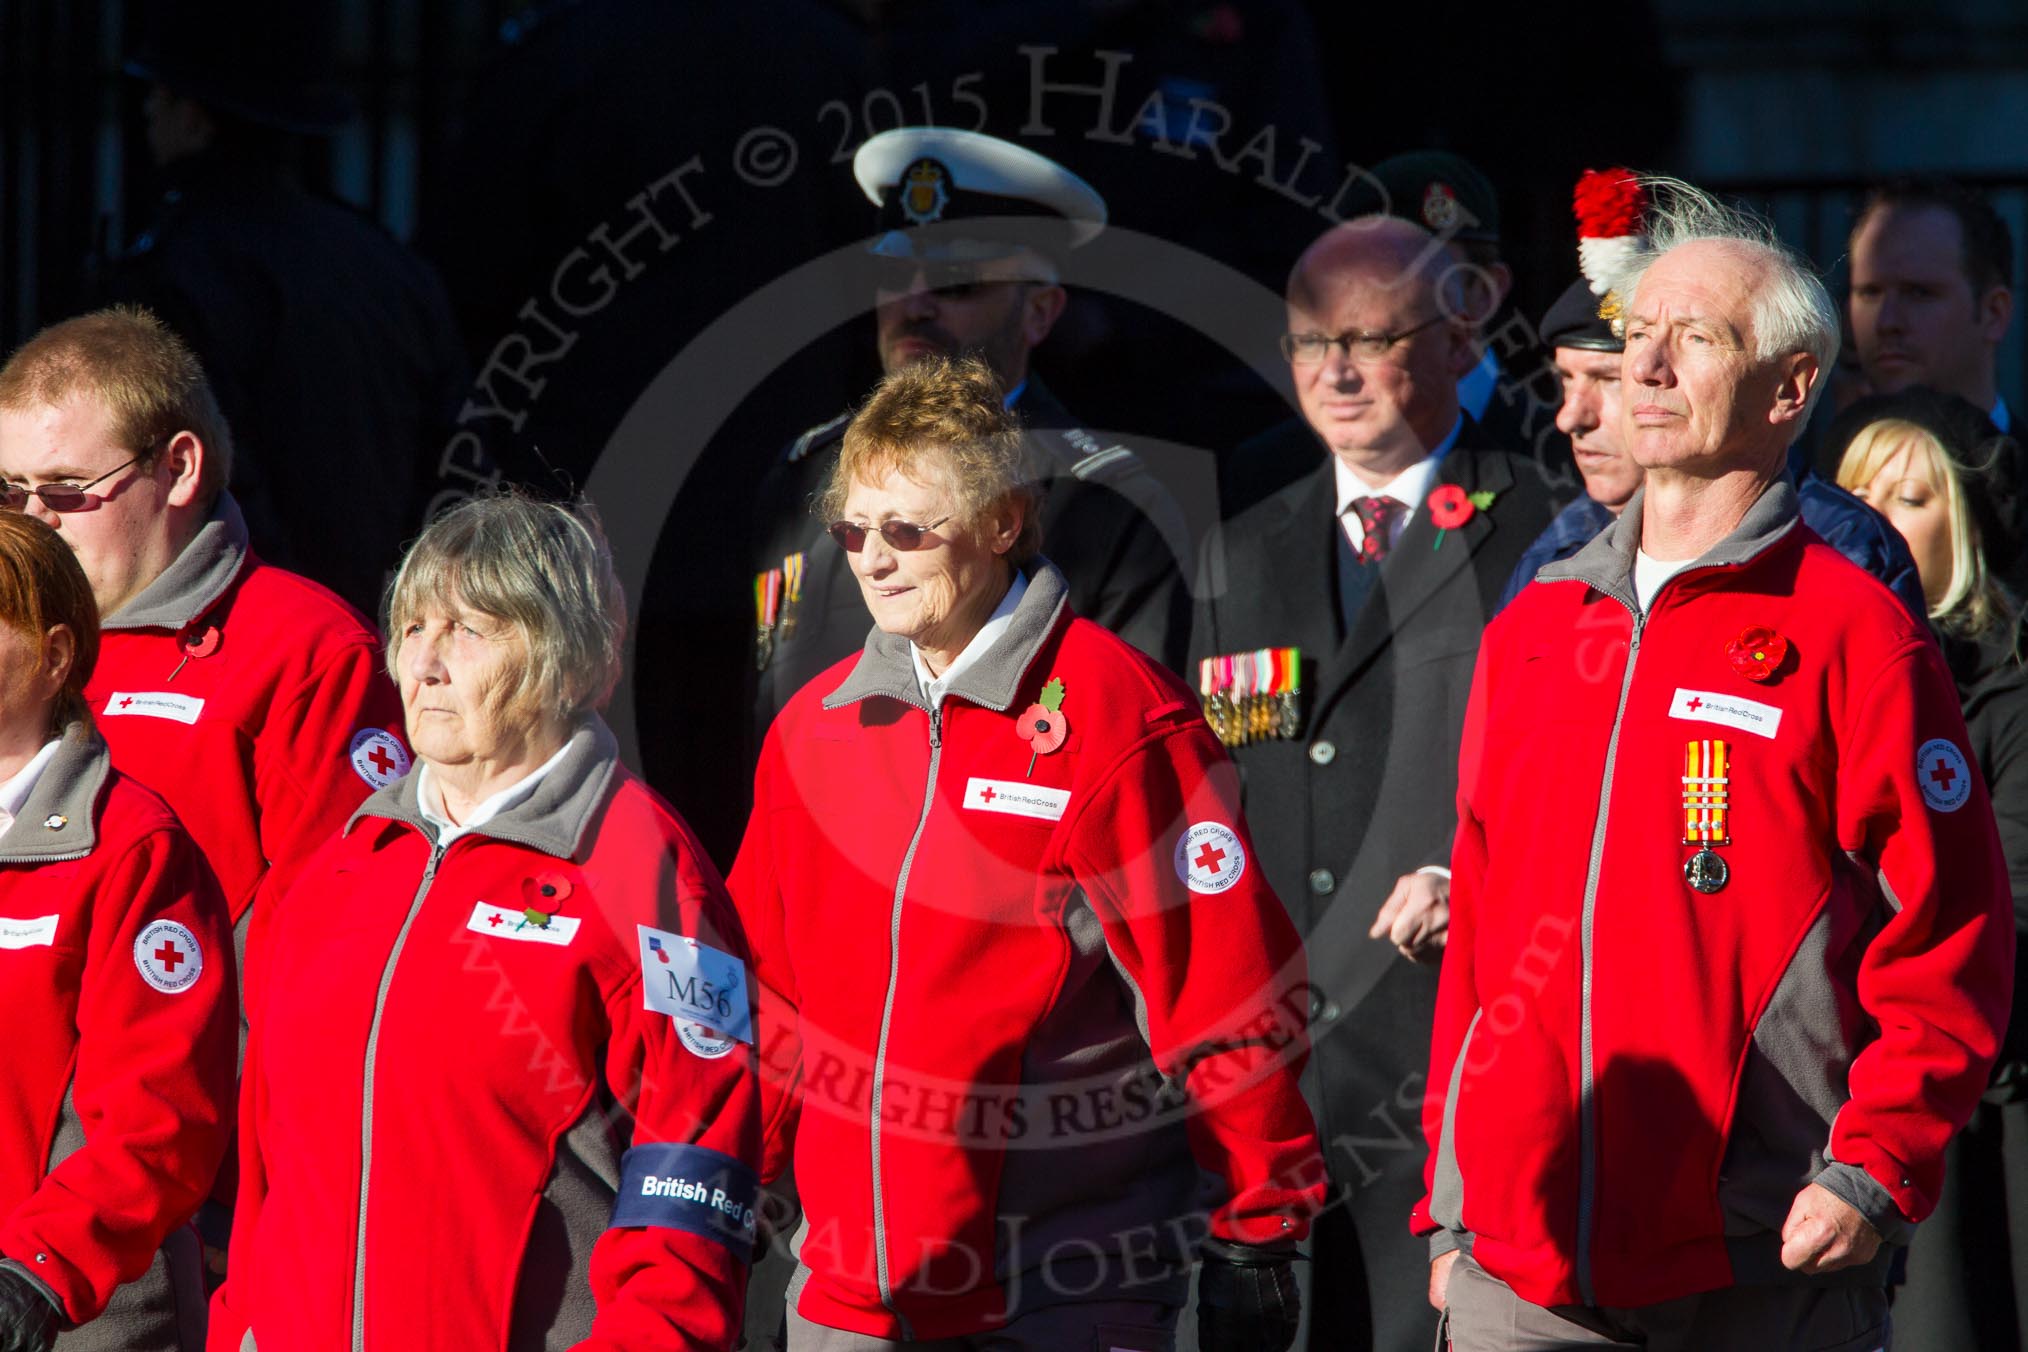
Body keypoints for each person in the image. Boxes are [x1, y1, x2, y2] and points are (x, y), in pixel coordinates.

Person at [1419, 179, 2014, 1350]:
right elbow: (1481, 933)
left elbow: (1950, 923)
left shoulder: (1853, 628)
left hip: (1760, 1255)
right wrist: (1451, 1209)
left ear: (1791, 387)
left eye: (1693, 339)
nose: (1643, 367)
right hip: (1518, 1264)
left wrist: (1876, 1166)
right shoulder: (1531, 625)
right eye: (1638, 334)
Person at [732, 357, 1323, 1350]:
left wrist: (1256, 1229)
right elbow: (766, 995)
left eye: (908, 527)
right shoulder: (813, 729)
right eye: (854, 530)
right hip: (840, 1293)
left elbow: (1223, 992)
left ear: (1004, 521)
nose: (873, 559)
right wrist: (732, 1182)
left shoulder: (1120, 716)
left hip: (1059, 1287)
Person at [208, 494, 761, 1350]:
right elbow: (267, 1175)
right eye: (413, 625)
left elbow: (693, 1192)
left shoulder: (649, 878)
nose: (424, 662)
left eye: (468, 628)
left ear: (563, 658)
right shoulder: (343, 865)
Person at [1188, 213, 1558, 1352]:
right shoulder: (1236, 546)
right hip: (1277, 1080)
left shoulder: (1545, 523)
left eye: (1370, 338)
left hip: (1453, 1053)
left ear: (1456, 339)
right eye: (1310, 344)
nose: (1336, 371)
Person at [0, 307, 407, 1271]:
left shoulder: (303, 651)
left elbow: (342, 949)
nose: (31, 521)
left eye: (65, 489)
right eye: (11, 489)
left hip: (190, 1193)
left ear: (178, 469)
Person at [749, 127, 1191, 746]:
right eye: (894, 273)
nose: (915, 303)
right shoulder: (808, 470)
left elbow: (1130, 744)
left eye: (956, 282)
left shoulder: (1108, 501)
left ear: (1040, 313)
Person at [101, 0, 470, 615]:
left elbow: (200, 478)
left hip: (252, 631)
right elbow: (459, 459)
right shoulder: (384, 261)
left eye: (160, 94)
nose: (146, 111)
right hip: (398, 621)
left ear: (196, 116)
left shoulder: (179, 266)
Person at [0, 512, 235, 1352]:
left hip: (68, 1311)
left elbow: (160, 1115)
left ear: (54, 656)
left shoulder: (132, 848)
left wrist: (34, 1270)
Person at [1829, 388, 2028, 1348]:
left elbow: (2011, 904)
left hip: (1965, 1094)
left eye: (1909, 499)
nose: (1876, 520)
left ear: (1969, 526)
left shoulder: (2007, 686)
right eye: (1856, 494)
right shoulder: (1826, 664)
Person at [1499, 278, 1924, 617]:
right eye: (1566, 381)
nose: (1571, 418)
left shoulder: (1844, 545)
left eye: (1608, 380)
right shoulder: (1557, 553)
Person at [1846, 177, 2015, 433]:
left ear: (1994, 313)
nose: (1887, 322)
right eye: (1870, 293)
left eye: (1919, 293)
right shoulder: (1817, 470)